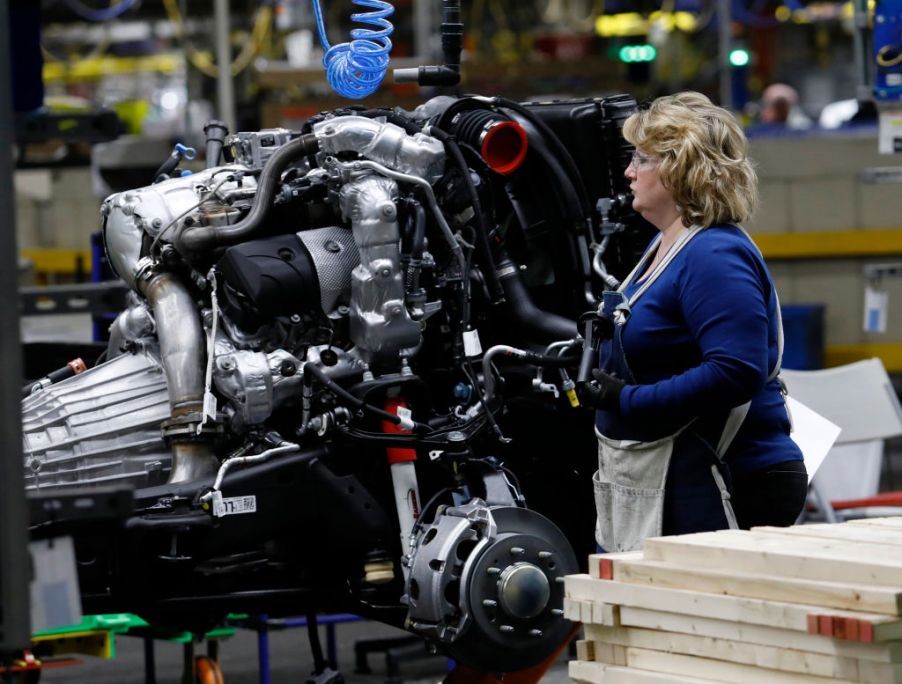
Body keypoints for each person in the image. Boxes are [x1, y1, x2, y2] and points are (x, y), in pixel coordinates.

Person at [579, 91, 807, 553]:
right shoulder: (667, 245)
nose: (629, 172)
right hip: (677, 471)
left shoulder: (713, 253)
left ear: (680, 167)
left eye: (641, 159)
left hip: (726, 473)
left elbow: (735, 371)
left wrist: (629, 399)